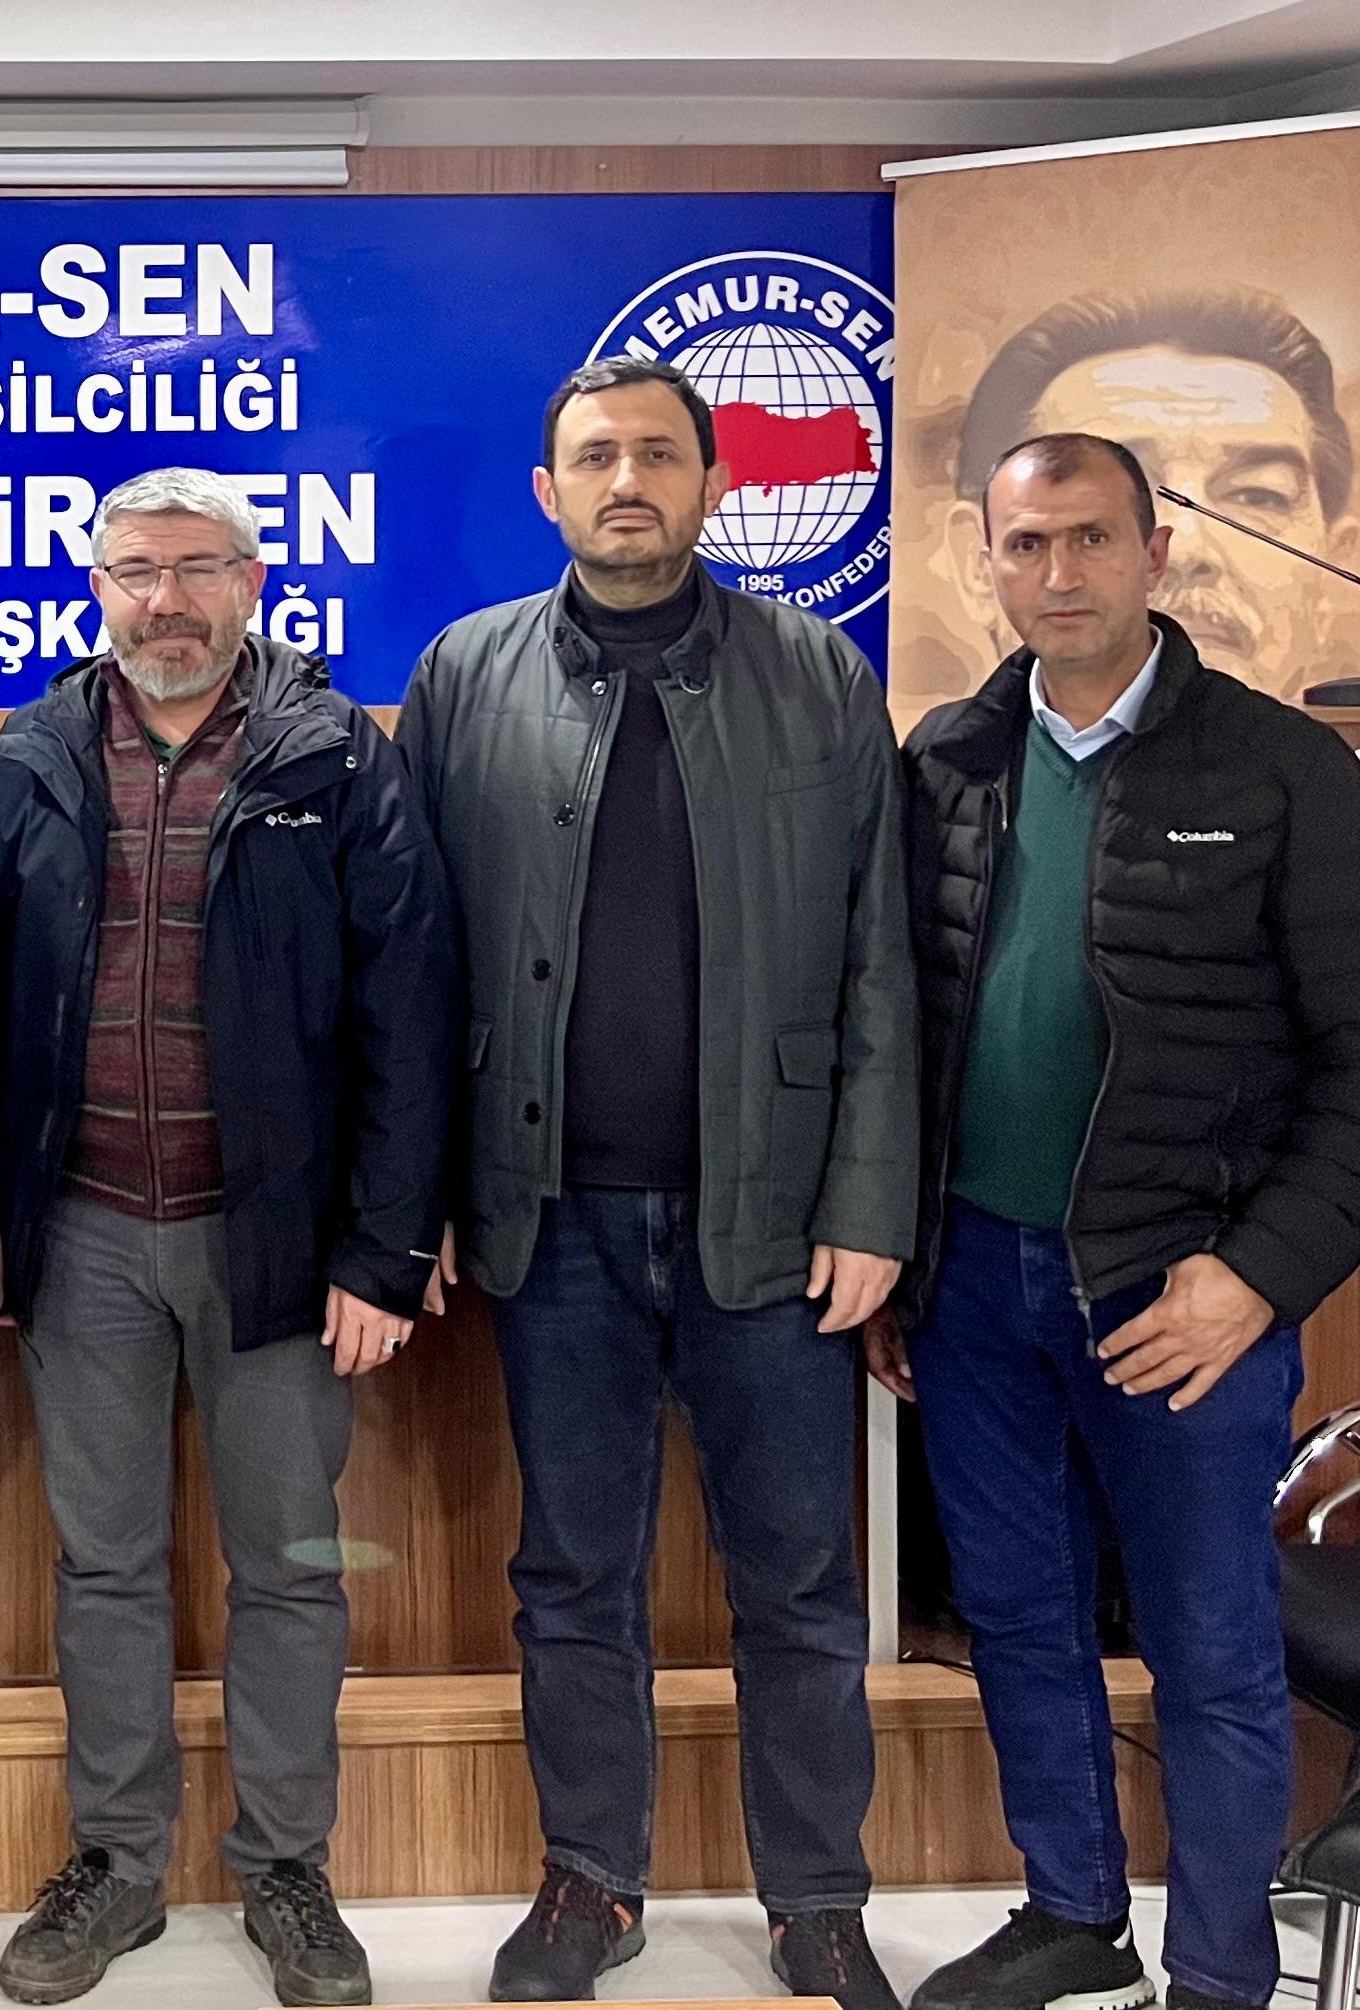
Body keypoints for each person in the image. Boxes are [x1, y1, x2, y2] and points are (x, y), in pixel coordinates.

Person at [395, 358, 915, 2010]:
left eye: (657, 455)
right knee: (570, 1572)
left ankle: (815, 1898)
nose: (625, 480)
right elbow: (409, 966)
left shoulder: (817, 673)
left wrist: (868, 1203)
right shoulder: (463, 673)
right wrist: (417, 1199)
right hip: (543, 1218)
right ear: (545, 491)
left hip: (773, 1221)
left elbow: (880, 961)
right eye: (594, 456)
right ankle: (589, 1880)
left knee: (799, 1578)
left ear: (711, 482)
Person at [884, 432, 1360, 2010]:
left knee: (1207, 1644)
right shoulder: (946, 758)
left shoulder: (1275, 765)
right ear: (987, 561)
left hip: (1176, 1293)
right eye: (1025, 542)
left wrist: (1253, 1278)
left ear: (1152, 552)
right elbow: (896, 1030)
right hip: (973, 1283)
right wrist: (904, 1267)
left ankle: (1215, 1970)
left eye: (1088, 538)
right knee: (1015, 1617)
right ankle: (1072, 1916)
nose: (1056, 572)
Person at [0, 467, 457, 2009]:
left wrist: (381, 1249)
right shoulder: (32, 757)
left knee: (289, 1565)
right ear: (94, 585)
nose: (163, 599)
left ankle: (285, 1865)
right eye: (133, 569)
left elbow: (410, 1013)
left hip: (278, 1248)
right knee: (101, 1562)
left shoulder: (335, 755)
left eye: (194, 568)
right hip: (83, 1233)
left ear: (251, 582)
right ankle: (116, 1860)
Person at [943, 287, 1360, 704]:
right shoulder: (941, 750)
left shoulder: (1316, 754)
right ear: (977, 567)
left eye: (1258, 495)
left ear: (1332, 569)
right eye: (1104, 498)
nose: (1181, 550)